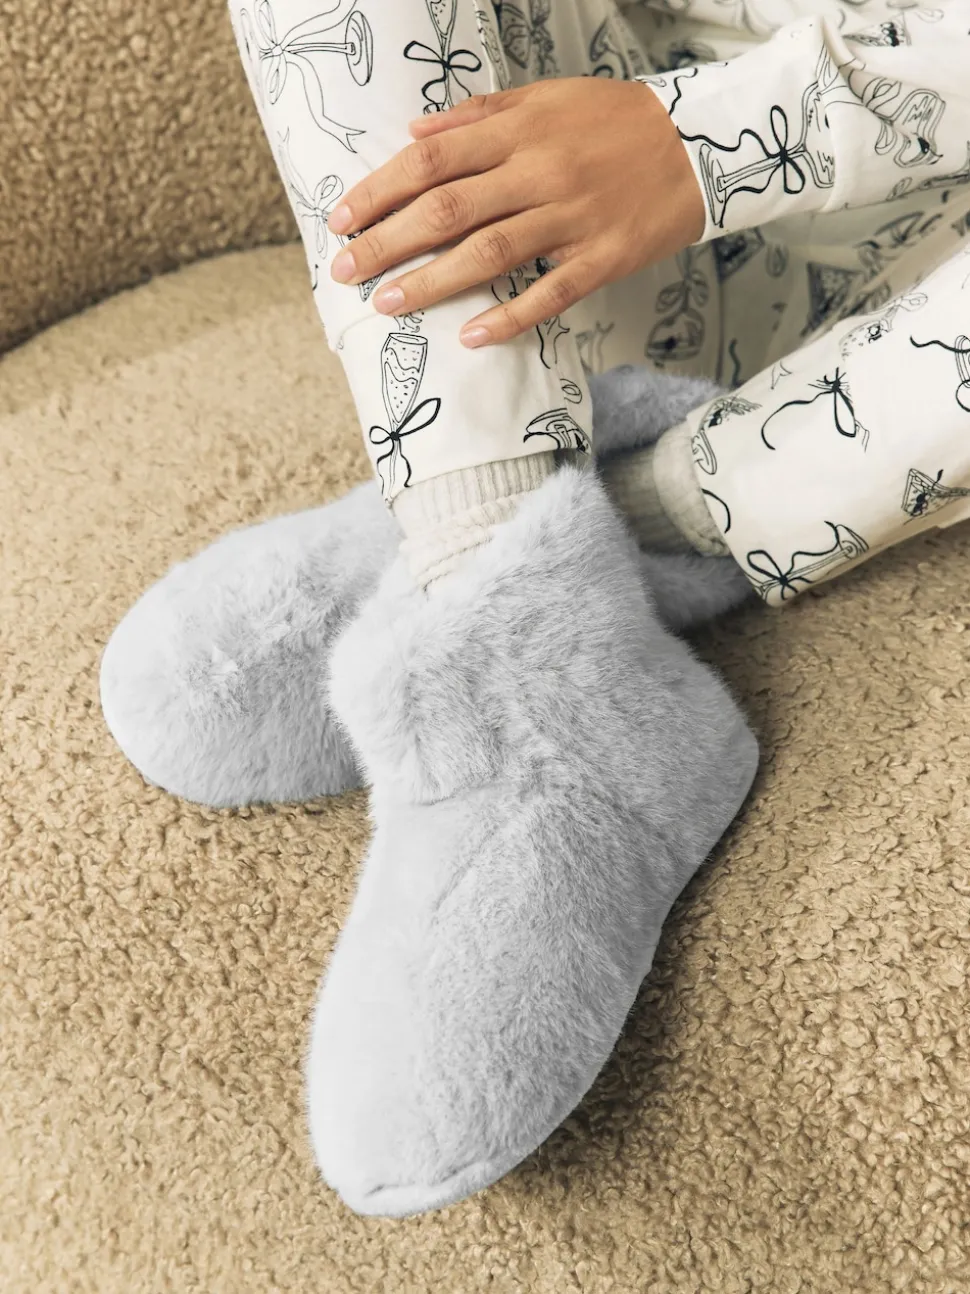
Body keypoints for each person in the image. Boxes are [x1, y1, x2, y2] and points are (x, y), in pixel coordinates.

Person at [99, 0, 970, 1217]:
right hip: (595, 224)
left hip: (897, 327)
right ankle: (489, 513)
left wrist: (706, 143)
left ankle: (555, 555)